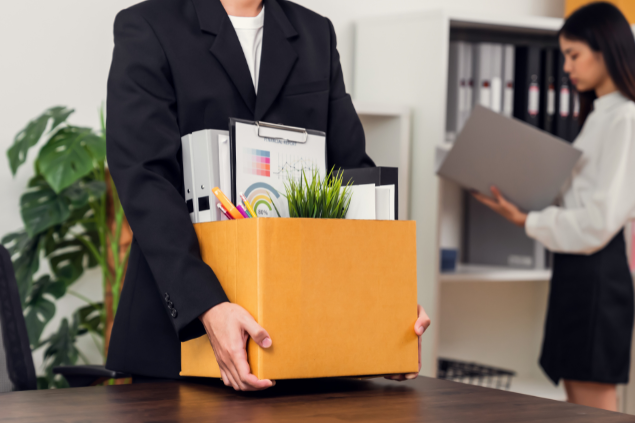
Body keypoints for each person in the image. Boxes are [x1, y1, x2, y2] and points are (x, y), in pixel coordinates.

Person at [106, 0, 431, 391]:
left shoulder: (316, 34)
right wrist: (206, 305)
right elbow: (146, 177)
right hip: (177, 342)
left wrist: (382, 302)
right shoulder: (148, 25)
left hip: (298, 336)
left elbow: (351, 173)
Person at [473, 2, 635, 412]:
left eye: (573, 54)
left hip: (598, 270)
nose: (566, 67)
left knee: (593, 403)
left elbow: (600, 221)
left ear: (606, 49)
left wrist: (528, 220)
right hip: (577, 268)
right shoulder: (600, 115)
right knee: (576, 398)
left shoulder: (626, 119)